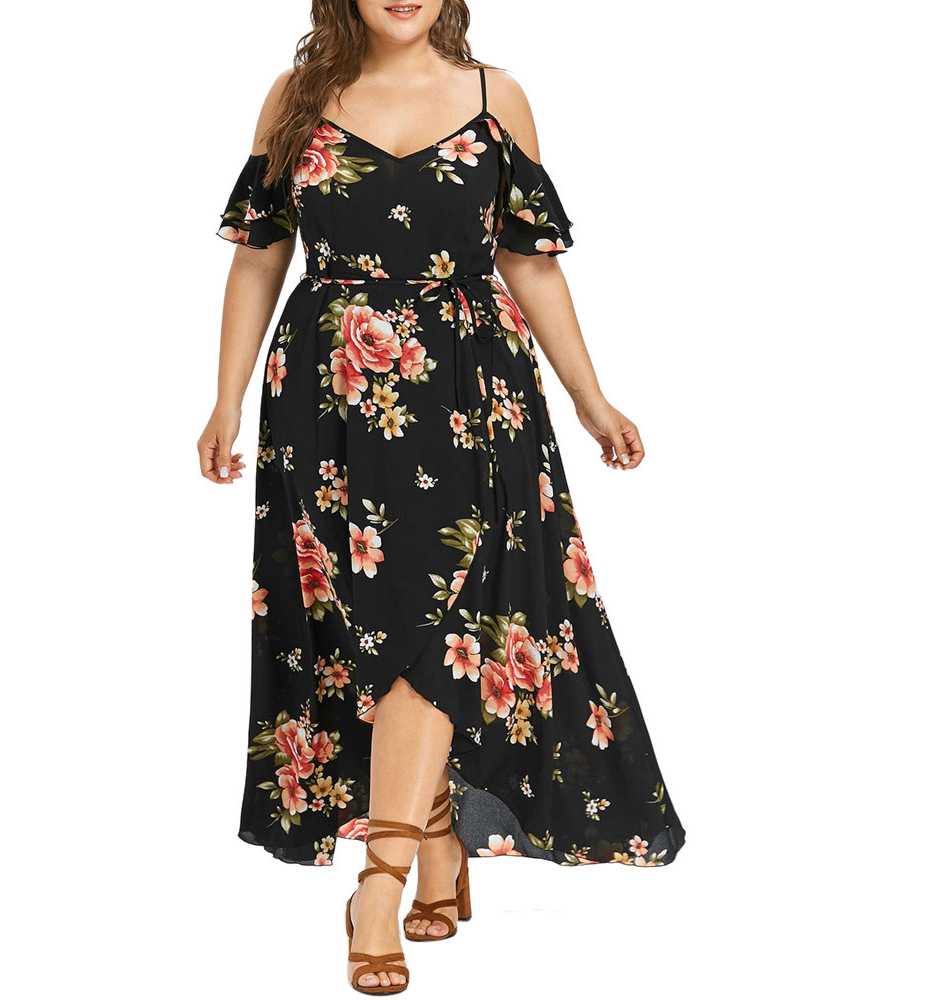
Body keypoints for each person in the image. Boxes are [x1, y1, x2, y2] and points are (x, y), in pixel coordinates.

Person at [198, 0, 686, 993]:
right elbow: (260, 254)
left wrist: (591, 399)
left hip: (473, 393)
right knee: (370, 628)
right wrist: (225, 400)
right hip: (332, 397)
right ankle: (433, 842)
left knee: (442, 628)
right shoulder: (296, 98)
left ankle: (377, 889)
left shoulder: (496, 97)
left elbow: (528, 262)